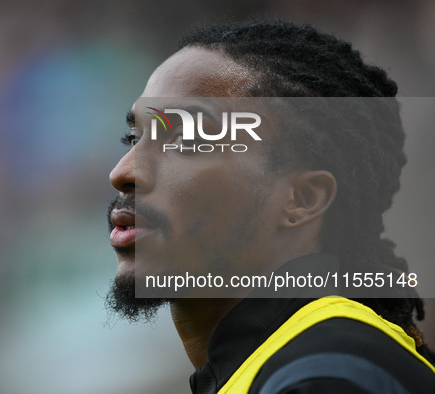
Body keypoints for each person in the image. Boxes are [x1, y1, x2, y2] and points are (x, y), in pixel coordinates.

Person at [106, 20, 435, 393]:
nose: (123, 171)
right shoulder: (284, 363)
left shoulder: (327, 374)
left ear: (302, 199)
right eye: (133, 138)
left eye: (184, 139)